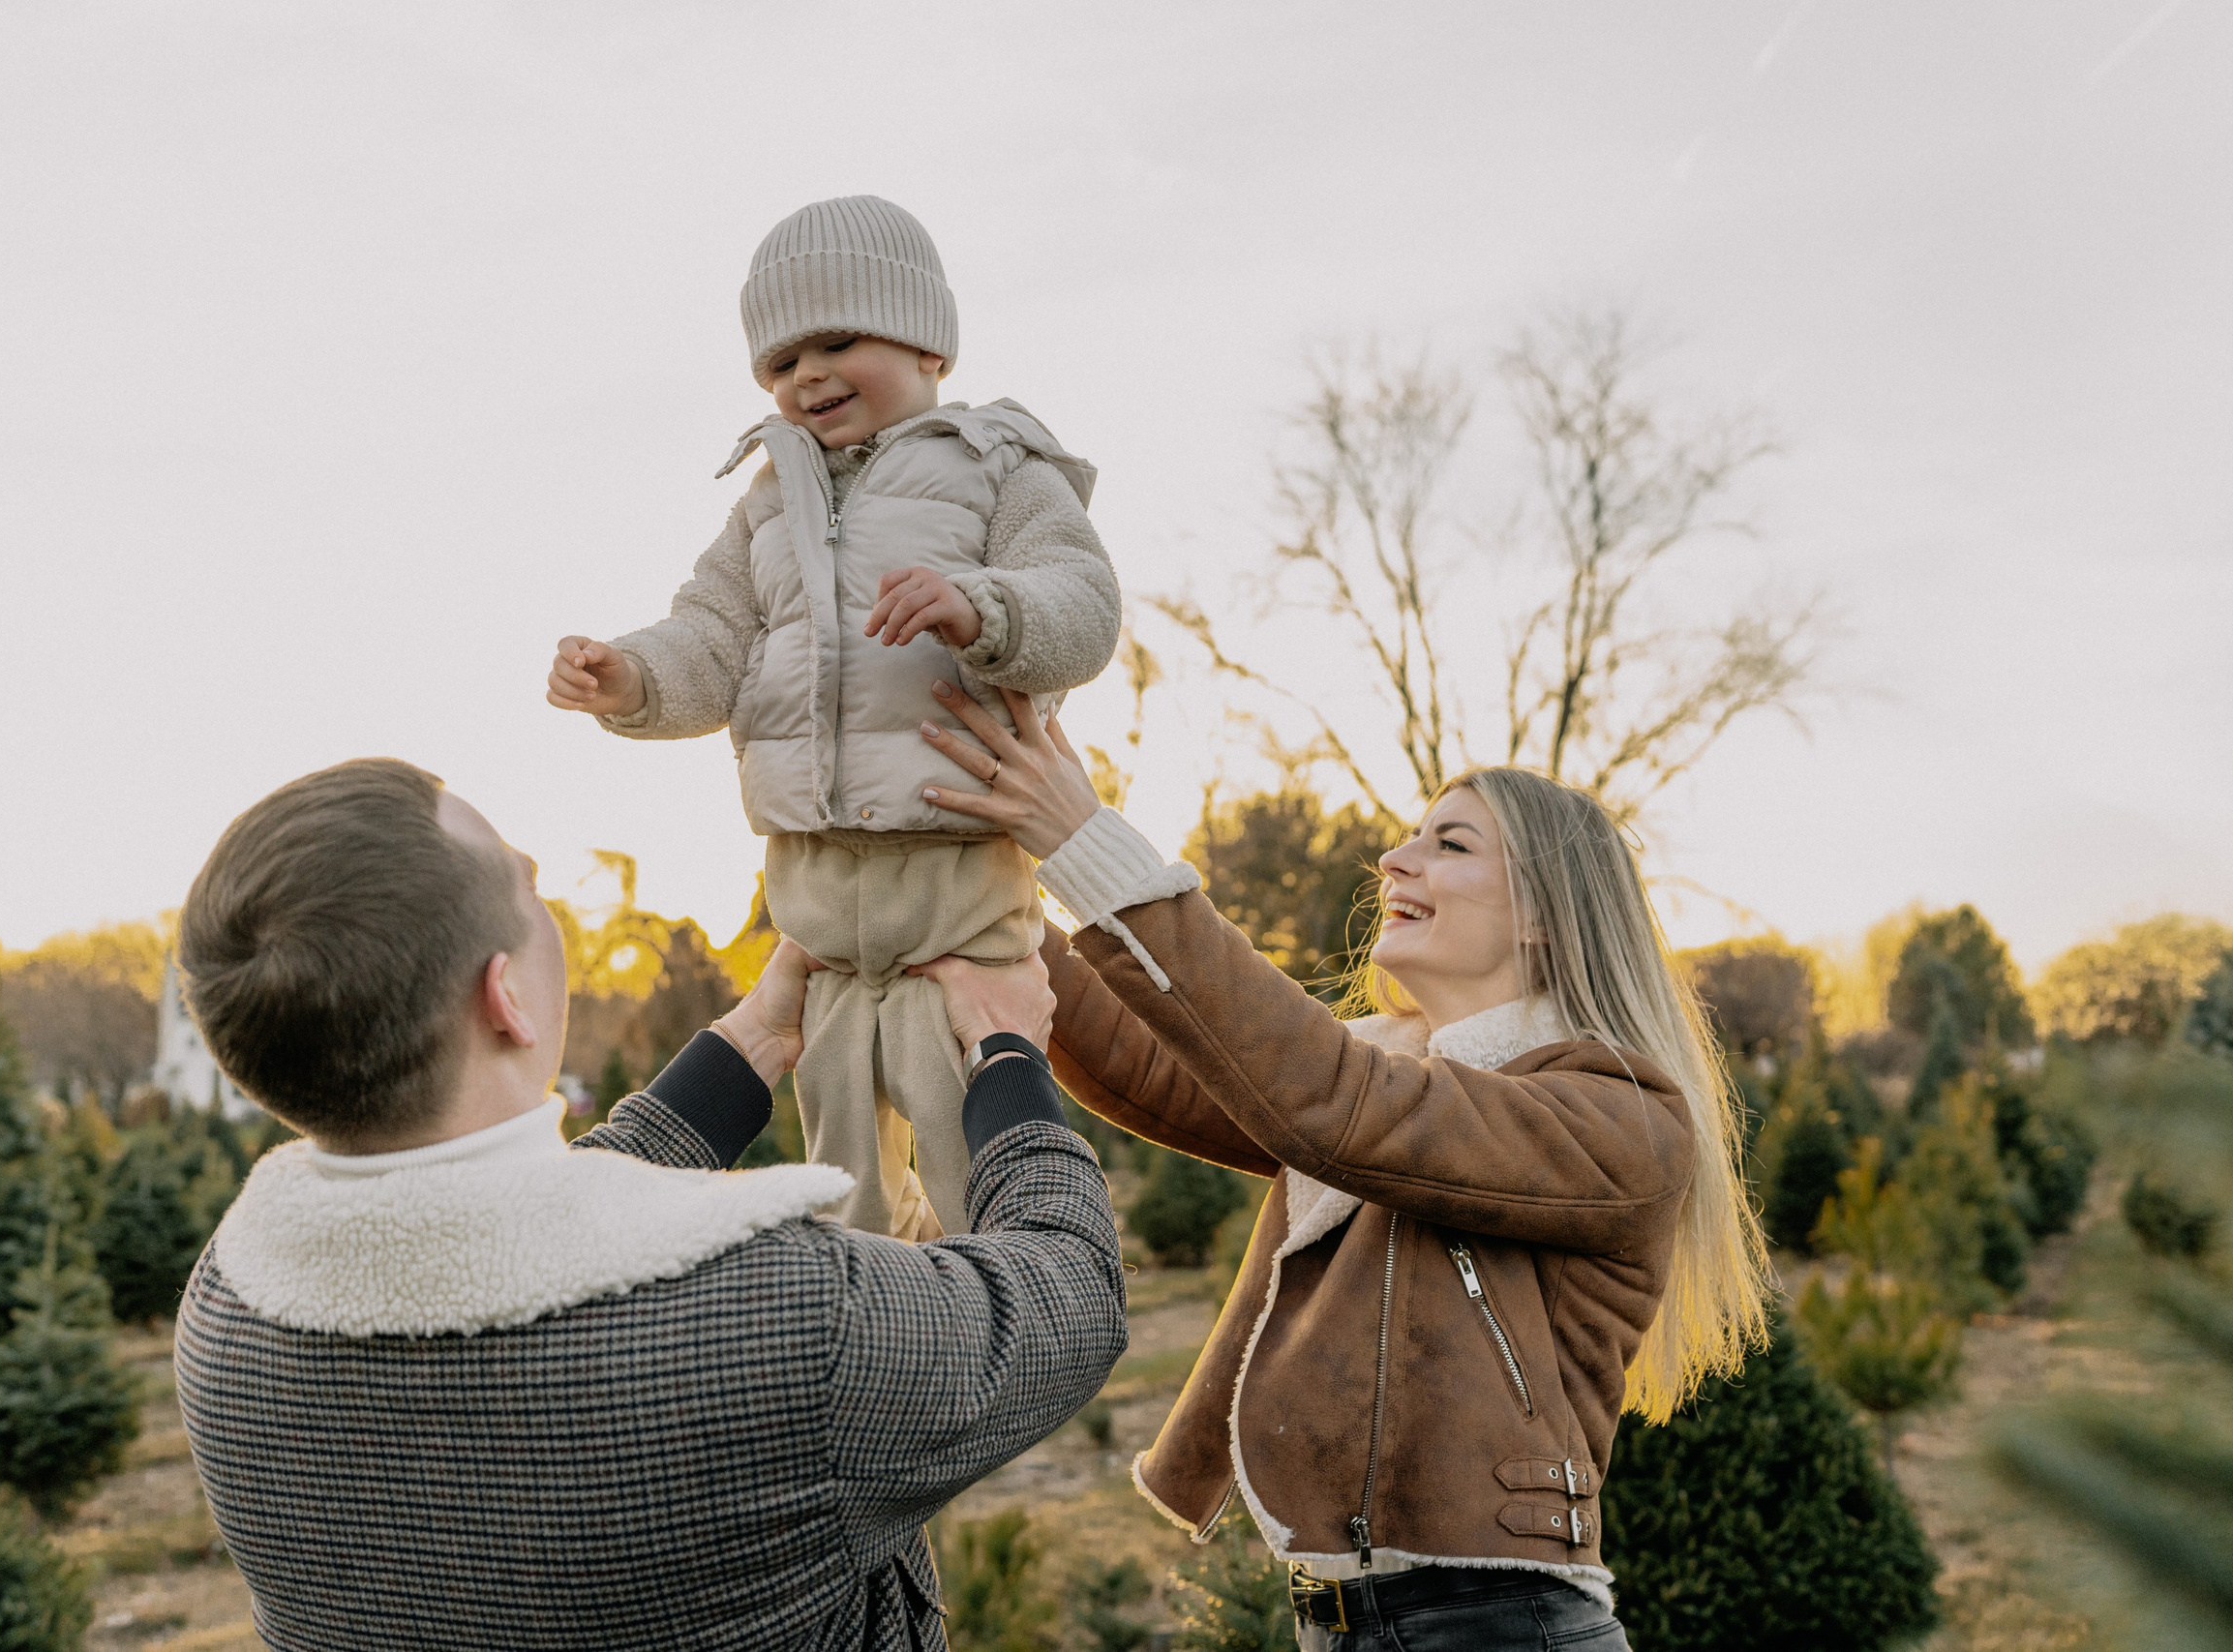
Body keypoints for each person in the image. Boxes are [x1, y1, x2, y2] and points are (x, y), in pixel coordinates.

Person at [169, 757, 1126, 1651]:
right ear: (505, 998)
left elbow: (523, 1234)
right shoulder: (781, 1318)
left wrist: (746, 1047)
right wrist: (1007, 1062)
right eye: (528, 886)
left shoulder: (227, 1315)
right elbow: (1062, 1297)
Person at [916, 682, 1774, 1651]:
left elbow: (1332, 1106)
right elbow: (1156, 1065)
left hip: (1496, 1629)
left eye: (1449, 844)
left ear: (1547, 916)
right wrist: (990, 891)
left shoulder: (1619, 1118)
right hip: (1342, 1626)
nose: (1392, 858)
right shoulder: (1389, 1077)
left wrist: (1086, 842)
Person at [544, 195, 1120, 1243]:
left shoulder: (1000, 465)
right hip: (817, 913)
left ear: (928, 344)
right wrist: (630, 677)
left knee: (966, 1143)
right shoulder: (769, 501)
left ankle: (1004, 1307)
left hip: (956, 884)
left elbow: (1081, 603)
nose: (806, 376)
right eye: (779, 362)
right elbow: (711, 633)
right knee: (840, 1176)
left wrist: (981, 605)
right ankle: (873, 1339)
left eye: (837, 341)